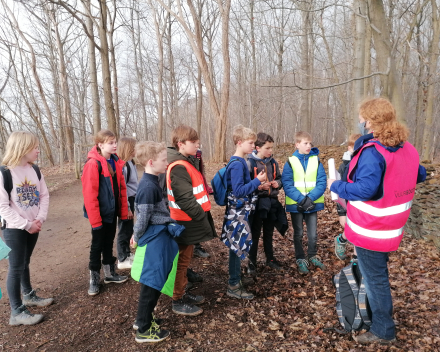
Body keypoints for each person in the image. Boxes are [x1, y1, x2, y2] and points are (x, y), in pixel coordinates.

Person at [328, 97, 426, 345]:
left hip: (370, 228)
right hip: (392, 227)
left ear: (370, 122)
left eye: (362, 119)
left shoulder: (373, 152)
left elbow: (364, 189)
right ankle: (373, 316)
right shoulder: (407, 148)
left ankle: (384, 329)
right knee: (376, 274)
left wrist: (336, 185)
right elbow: (420, 174)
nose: (360, 123)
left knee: (376, 279)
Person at [130, 141, 182, 343]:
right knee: (151, 282)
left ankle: (143, 318)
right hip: (153, 240)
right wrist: (137, 236)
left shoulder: (153, 181)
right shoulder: (148, 187)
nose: (167, 162)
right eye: (163, 159)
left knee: (154, 281)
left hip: (158, 236)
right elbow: (142, 218)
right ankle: (143, 329)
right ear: (151, 162)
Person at [0, 131, 52, 326]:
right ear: (22, 148)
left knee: (25, 261)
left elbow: (44, 195)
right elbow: (2, 206)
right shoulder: (4, 173)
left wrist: (39, 219)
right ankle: (16, 311)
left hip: (34, 225)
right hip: (15, 228)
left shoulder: (35, 170)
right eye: (34, 147)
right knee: (16, 267)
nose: (38, 150)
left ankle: (28, 294)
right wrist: (26, 224)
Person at [166, 125, 216, 316]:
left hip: (188, 220)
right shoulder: (179, 166)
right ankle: (177, 299)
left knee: (185, 260)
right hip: (185, 222)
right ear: (181, 144)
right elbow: (184, 199)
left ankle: (182, 292)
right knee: (182, 261)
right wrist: (200, 217)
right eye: (193, 143)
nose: (197, 145)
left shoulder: (185, 162)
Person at [82, 129, 129, 296]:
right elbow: (90, 195)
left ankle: (109, 274)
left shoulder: (116, 162)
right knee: (97, 246)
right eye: (111, 143)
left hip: (112, 212)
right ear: (100, 145)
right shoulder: (93, 164)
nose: (115, 145)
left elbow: (121, 189)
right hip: (99, 215)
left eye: (115, 142)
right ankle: (94, 280)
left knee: (109, 242)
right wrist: (96, 221)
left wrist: (123, 211)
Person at [221, 125, 266, 299]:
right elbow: (238, 191)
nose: (253, 146)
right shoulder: (237, 164)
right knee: (235, 246)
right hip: (237, 213)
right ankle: (233, 284)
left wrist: (256, 184)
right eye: (250, 142)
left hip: (239, 211)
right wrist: (257, 181)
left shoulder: (240, 161)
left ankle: (236, 278)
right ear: (239, 143)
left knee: (237, 245)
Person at [281, 131, 327, 275]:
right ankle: (300, 258)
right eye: (305, 143)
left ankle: (312, 255)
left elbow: (322, 181)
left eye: (310, 143)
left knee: (312, 234)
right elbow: (287, 184)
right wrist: (301, 199)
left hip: (312, 204)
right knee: (298, 233)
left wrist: (310, 199)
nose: (308, 146)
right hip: (297, 205)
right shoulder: (290, 162)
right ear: (297, 144)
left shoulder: (316, 160)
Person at [246, 132, 287, 275]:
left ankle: (270, 259)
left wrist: (278, 183)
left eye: (271, 148)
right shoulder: (249, 163)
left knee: (269, 233)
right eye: (268, 148)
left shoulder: (273, 162)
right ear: (258, 148)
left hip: (272, 203)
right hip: (257, 204)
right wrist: (258, 187)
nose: (270, 151)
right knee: (255, 234)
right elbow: (245, 186)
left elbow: (281, 179)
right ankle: (252, 262)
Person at [334, 133, 361, 261]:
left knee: (359, 231)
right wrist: (341, 213)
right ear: (349, 148)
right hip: (347, 204)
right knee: (351, 228)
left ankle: (356, 259)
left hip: (361, 204)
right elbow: (339, 191)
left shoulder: (365, 163)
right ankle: (342, 239)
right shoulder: (345, 166)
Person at [116, 137, 138, 269]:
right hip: (126, 201)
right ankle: (122, 258)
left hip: (132, 199)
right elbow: (122, 189)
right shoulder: (123, 166)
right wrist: (127, 208)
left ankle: (127, 253)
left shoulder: (131, 163)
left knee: (129, 228)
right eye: (134, 147)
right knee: (124, 229)